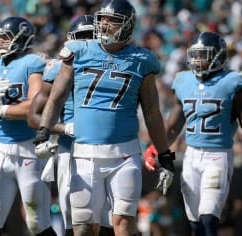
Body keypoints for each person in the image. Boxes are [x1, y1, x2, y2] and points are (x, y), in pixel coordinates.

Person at [33, 0, 175, 235]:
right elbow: (56, 98)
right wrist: (43, 132)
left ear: (127, 26)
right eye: (103, 20)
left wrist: (165, 155)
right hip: (85, 153)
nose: (105, 25)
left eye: (113, 21)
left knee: (123, 223)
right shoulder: (77, 51)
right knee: (83, 228)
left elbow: (152, 112)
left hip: (125, 153)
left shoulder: (142, 60)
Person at [144, 31, 242, 236]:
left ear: (218, 56)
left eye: (203, 55)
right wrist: (156, 146)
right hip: (191, 157)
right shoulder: (183, 81)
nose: (197, 60)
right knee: (195, 225)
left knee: (208, 218)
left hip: (217, 157)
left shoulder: (233, 82)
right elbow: (174, 126)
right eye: (195, 55)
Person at [28, 15, 115, 236]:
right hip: (70, 150)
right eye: (81, 37)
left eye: (90, 37)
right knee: (74, 220)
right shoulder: (58, 68)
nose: (85, 43)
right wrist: (64, 129)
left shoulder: (111, 66)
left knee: (108, 220)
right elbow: (34, 116)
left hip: (106, 149)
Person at [0, 16, 56, 236]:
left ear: (22, 39)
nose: (0, 41)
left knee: (37, 222)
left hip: (29, 148)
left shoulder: (32, 63)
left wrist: (2, 110)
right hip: (1, 149)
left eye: (6, 37)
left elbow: (37, 104)